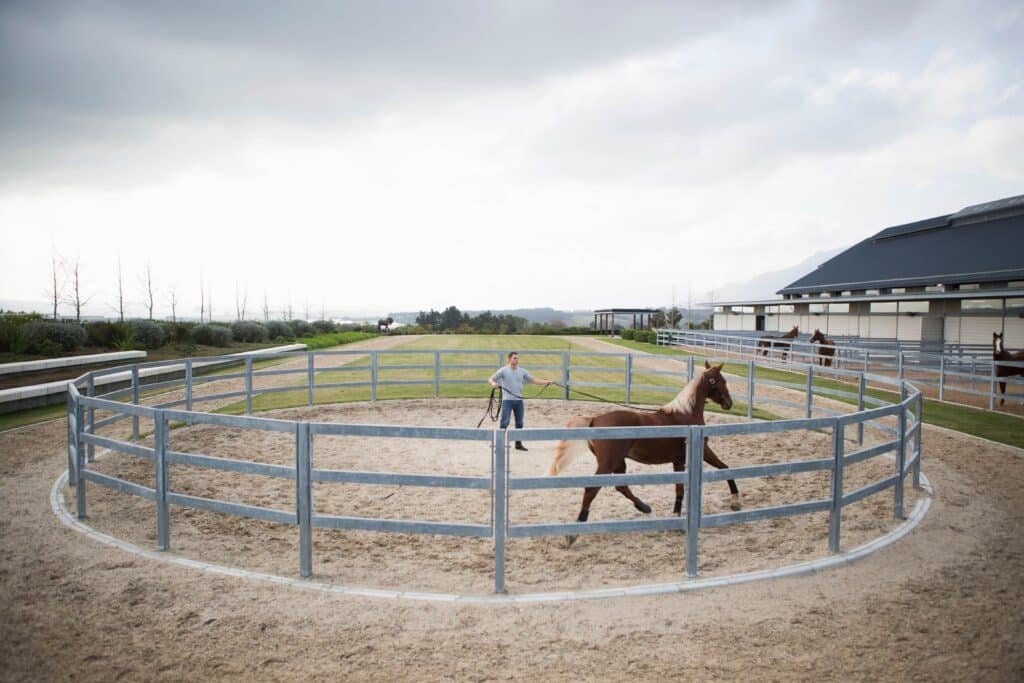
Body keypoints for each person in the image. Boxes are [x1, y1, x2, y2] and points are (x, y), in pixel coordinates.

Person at [488, 351, 553, 451]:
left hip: (519, 400)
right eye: (514, 358)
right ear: (509, 359)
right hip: (507, 400)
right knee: (505, 422)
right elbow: (491, 379)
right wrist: (493, 383)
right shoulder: (503, 370)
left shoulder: (522, 371)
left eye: (517, 358)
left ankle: (518, 444)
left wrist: (546, 382)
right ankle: (500, 444)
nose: (516, 360)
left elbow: (533, 380)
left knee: (520, 423)